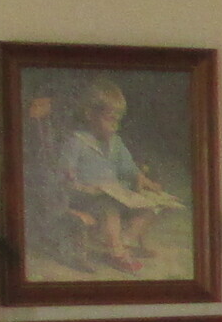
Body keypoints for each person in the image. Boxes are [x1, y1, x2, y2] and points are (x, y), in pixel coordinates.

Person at [56, 82, 179, 274]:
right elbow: (64, 175)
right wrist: (79, 183)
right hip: (85, 198)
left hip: (115, 194)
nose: (114, 125)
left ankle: (123, 242)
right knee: (109, 205)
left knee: (150, 207)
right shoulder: (76, 142)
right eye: (109, 119)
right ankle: (117, 254)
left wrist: (146, 182)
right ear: (90, 115)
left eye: (117, 120)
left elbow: (129, 169)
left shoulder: (116, 143)